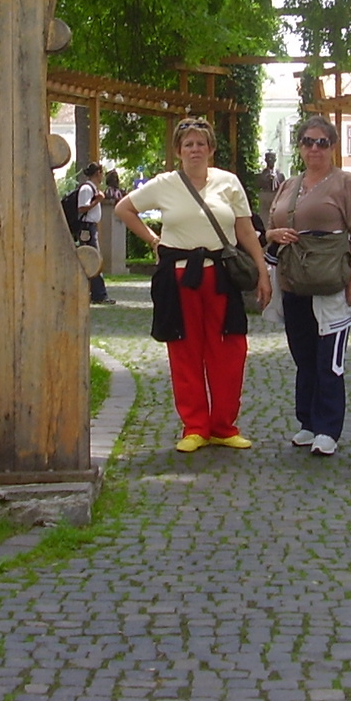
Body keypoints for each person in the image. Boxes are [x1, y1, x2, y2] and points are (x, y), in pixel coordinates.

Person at [116, 116, 271, 452]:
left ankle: (224, 426)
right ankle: (195, 426)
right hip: (180, 277)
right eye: (189, 144)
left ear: (211, 149)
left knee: (229, 349)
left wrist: (262, 270)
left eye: (201, 143)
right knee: (185, 350)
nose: (195, 149)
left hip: (222, 276)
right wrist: (154, 240)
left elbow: (244, 230)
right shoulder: (164, 184)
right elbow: (123, 208)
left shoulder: (228, 183)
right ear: (178, 151)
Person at [265, 115, 351, 457]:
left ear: (333, 147)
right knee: (304, 354)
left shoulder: (344, 183)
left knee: (329, 358)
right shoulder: (289, 185)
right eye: (308, 142)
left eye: (321, 142)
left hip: (330, 281)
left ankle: (328, 426)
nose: (314, 148)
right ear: (300, 147)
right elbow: (270, 226)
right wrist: (273, 235)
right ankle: (307, 421)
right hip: (294, 281)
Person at [76, 162, 114, 305]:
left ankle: (96, 292)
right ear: (98, 173)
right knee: (93, 260)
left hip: (91, 227)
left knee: (93, 259)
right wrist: (97, 200)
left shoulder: (92, 188)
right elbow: (82, 208)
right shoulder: (87, 189)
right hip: (87, 228)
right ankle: (98, 294)